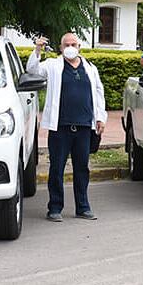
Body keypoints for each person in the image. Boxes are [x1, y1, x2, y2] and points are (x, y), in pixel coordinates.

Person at [27, 33, 107, 221]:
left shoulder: (90, 68)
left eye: (73, 44)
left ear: (79, 46)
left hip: (84, 126)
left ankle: (83, 207)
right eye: (66, 44)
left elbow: (98, 92)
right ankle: (55, 208)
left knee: (82, 168)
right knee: (57, 168)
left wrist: (100, 118)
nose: (70, 47)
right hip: (60, 127)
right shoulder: (53, 66)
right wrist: (37, 50)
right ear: (61, 48)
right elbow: (32, 70)